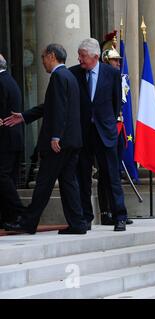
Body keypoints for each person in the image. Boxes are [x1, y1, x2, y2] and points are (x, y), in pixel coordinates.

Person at [2, 44, 87, 235]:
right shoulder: (70, 77)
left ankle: (28, 223)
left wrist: (56, 135)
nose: (42, 62)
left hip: (58, 142)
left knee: (43, 183)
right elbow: (49, 106)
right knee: (68, 183)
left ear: (51, 56)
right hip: (72, 141)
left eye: (43, 57)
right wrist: (23, 116)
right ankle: (78, 223)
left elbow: (59, 110)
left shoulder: (58, 77)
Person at [69, 38, 128, 232]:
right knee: (83, 176)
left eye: (83, 56)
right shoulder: (73, 73)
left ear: (95, 56)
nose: (80, 59)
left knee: (111, 175)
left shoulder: (111, 73)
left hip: (105, 132)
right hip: (83, 133)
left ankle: (119, 215)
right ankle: (86, 217)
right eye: (79, 55)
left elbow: (116, 103)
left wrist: (107, 123)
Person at [97, 31, 133, 227]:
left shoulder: (116, 77)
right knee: (105, 173)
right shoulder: (101, 77)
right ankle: (106, 210)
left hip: (116, 128)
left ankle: (116, 210)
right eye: (114, 60)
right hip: (105, 129)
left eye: (119, 61)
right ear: (105, 60)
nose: (118, 64)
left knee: (115, 171)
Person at [0, 54, 26, 227]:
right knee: (6, 176)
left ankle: (20, 213)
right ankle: (9, 216)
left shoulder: (1, 82)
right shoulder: (9, 79)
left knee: (2, 176)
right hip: (12, 136)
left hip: (5, 137)